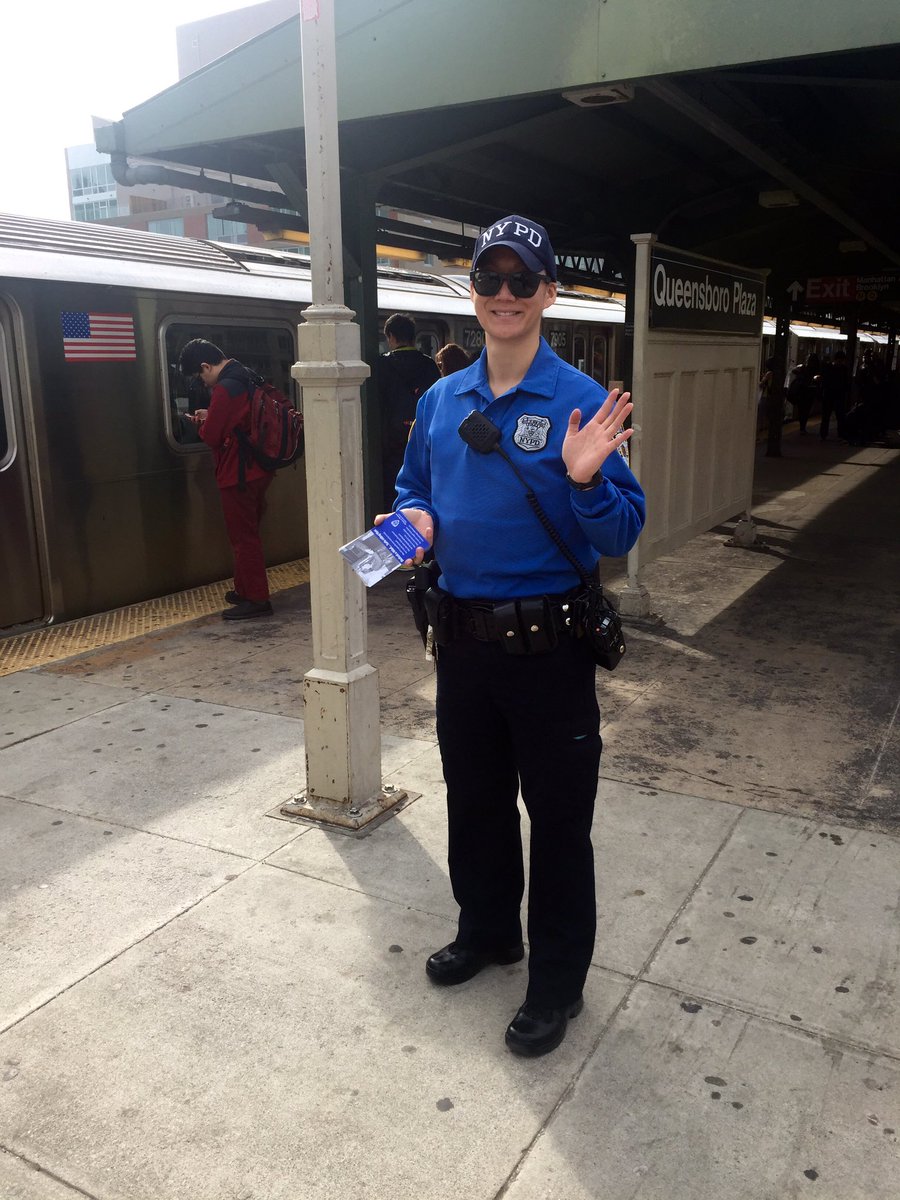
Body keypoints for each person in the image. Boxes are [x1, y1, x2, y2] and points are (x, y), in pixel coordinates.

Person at [377, 215, 645, 1057]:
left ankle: (557, 983)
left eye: (521, 280)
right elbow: (414, 486)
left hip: (549, 651)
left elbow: (623, 531)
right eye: (489, 280)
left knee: (559, 820)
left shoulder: (578, 401)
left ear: (548, 294)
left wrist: (588, 481)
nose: (504, 294)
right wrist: (412, 522)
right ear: (472, 293)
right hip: (461, 644)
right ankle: (488, 930)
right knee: (476, 799)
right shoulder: (439, 399)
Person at [178, 339, 275, 620]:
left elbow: (211, 436)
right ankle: (244, 590)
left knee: (243, 537)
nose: (203, 383)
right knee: (247, 533)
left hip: (238, 473)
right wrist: (213, 415)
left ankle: (257, 599)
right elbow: (240, 417)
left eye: (200, 376)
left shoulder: (225, 387)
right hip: (258, 469)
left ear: (205, 366)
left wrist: (202, 422)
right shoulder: (245, 375)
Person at [378, 314, 440, 497]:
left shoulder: (381, 366)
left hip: (390, 444)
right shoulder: (429, 365)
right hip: (422, 439)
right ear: (413, 336)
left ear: (391, 336)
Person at [820, 350, 850, 441]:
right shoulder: (843, 369)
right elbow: (846, 383)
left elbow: (824, 381)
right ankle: (838, 433)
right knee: (837, 416)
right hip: (837, 395)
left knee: (828, 416)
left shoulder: (828, 368)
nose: (840, 362)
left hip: (830, 395)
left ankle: (825, 434)